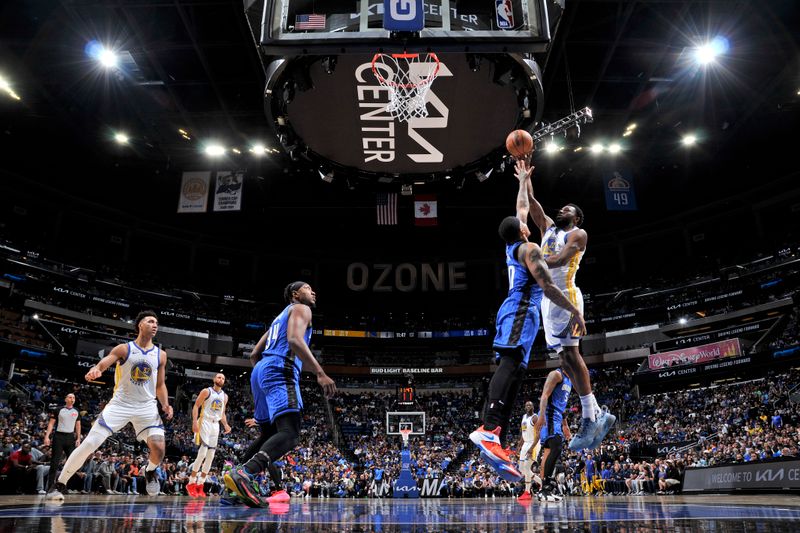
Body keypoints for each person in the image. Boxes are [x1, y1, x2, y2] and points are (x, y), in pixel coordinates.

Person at [470, 161, 586, 481]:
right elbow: (547, 286)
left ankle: (495, 437)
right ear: (523, 231)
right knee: (509, 364)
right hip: (523, 308)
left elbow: (523, 207)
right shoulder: (530, 246)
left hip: (525, 313)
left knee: (517, 372)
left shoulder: (524, 240)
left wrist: (522, 180)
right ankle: (489, 427)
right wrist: (575, 311)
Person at [522, 160, 616, 450]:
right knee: (563, 361)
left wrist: (535, 260)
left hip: (567, 295)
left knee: (573, 356)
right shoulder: (548, 229)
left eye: (568, 209)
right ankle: (597, 412)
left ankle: (590, 415)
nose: (561, 210)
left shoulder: (577, 235)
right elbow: (534, 206)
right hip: (549, 301)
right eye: (561, 208)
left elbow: (561, 260)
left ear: (577, 218)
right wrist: (524, 180)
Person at [225, 282, 336, 507]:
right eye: (308, 288)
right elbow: (295, 341)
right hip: (280, 368)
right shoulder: (302, 309)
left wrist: (262, 375)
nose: (313, 291)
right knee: (290, 433)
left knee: (268, 435)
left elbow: (254, 353)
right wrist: (320, 372)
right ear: (296, 294)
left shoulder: (278, 319)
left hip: (260, 369)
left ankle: (232, 491)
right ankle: (246, 473)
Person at [46, 310, 174, 500]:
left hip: (147, 406)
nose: (155, 325)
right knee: (89, 443)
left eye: (156, 322)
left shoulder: (161, 355)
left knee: (159, 447)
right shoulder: (124, 349)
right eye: (150, 321)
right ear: (140, 325)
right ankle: (59, 484)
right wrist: (97, 369)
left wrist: (165, 404)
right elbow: (105, 362)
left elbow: (160, 384)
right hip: (120, 405)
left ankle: (150, 470)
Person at [187, 373, 231, 497]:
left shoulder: (225, 396)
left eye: (223, 378)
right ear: (214, 379)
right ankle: (191, 482)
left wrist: (226, 425)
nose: (221, 379)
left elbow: (222, 413)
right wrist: (194, 422)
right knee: (202, 453)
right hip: (204, 421)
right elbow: (196, 406)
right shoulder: (206, 391)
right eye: (219, 377)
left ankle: (200, 485)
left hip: (215, 424)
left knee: (211, 456)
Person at [533, 368, 573, 502]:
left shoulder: (570, 380)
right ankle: (545, 489)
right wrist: (542, 415)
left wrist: (565, 424)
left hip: (557, 416)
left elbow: (562, 405)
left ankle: (545, 490)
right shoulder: (556, 374)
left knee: (550, 452)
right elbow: (544, 395)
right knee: (556, 447)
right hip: (549, 415)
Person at [43, 393, 81, 494]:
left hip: (70, 438)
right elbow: (51, 424)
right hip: (59, 437)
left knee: (71, 463)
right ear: (65, 399)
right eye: (70, 397)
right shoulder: (58, 409)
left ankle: (63, 486)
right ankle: (50, 487)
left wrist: (78, 438)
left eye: (73, 397)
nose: (72, 399)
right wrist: (47, 437)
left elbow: (78, 425)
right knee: (54, 463)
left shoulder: (76, 411)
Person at [517, 401, 540, 501]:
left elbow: (538, 435)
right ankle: (538, 484)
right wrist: (519, 444)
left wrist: (531, 448)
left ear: (533, 407)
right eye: (526, 405)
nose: (528, 406)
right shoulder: (523, 417)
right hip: (525, 443)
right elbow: (523, 432)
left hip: (533, 443)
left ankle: (528, 491)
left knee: (527, 467)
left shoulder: (535, 417)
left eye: (530, 405)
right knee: (522, 469)